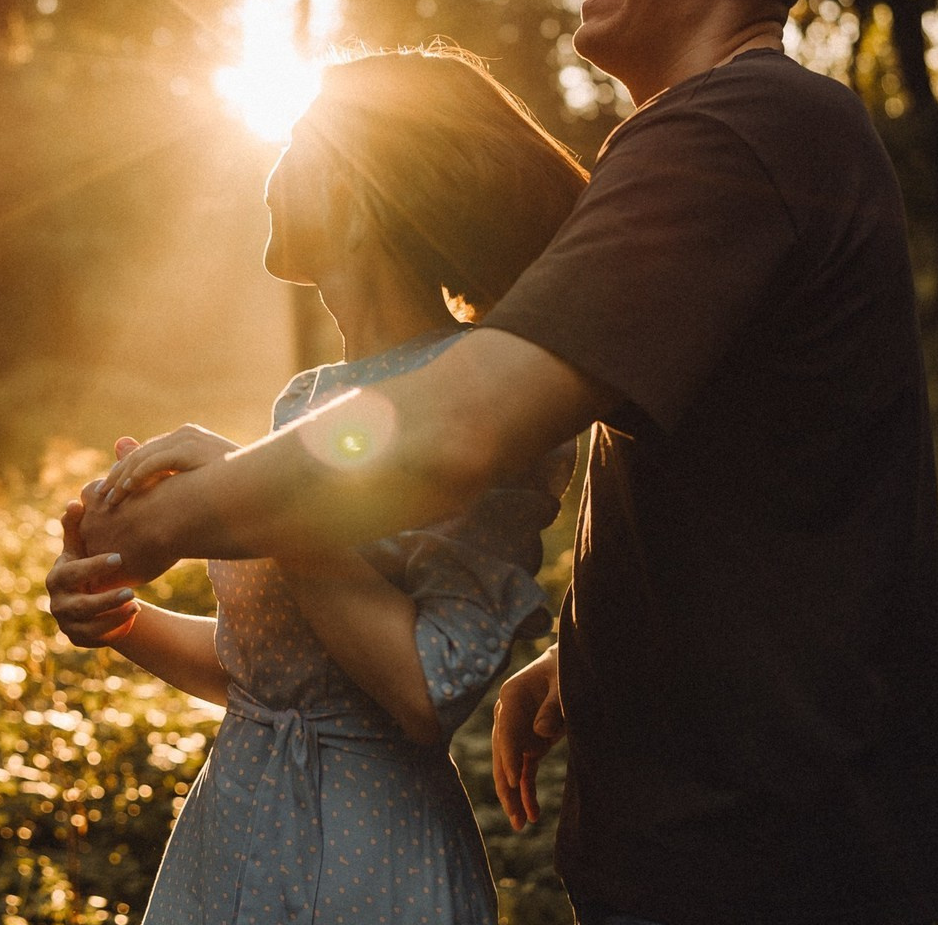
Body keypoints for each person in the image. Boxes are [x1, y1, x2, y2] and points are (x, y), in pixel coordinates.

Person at [63, 0, 938, 924]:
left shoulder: (737, 127)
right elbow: (742, 470)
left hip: (764, 851)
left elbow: (447, 431)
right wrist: (580, 659)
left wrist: (160, 523)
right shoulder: (735, 137)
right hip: (738, 827)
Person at [49, 46, 589, 923]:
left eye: (296, 140)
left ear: (355, 197)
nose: (270, 173)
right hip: (235, 830)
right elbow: (269, 678)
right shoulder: (305, 399)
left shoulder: (476, 388)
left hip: (368, 861)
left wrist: (256, 509)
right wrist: (117, 618)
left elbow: (421, 693)